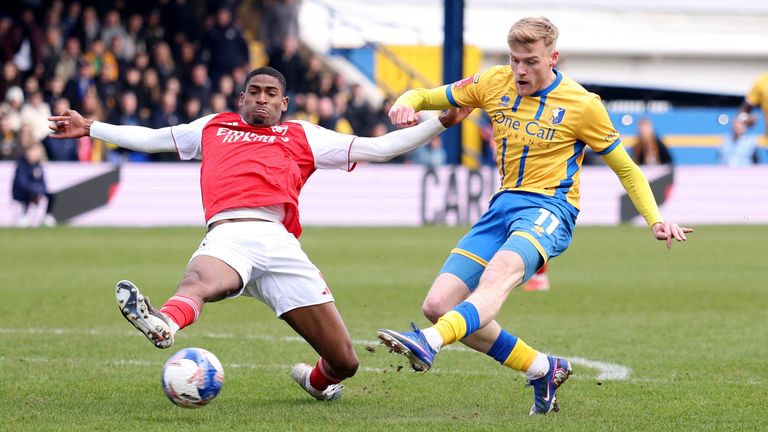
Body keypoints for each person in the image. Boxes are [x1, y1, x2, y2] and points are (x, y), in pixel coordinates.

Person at [48, 66, 470, 402]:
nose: (262, 98)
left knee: (345, 361)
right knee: (198, 282)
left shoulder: (303, 134)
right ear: (242, 98)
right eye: (254, 92)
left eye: (270, 93)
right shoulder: (214, 127)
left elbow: (378, 148)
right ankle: (165, 323)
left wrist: (441, 123)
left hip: (279, 243)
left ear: (283, 102)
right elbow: (152, 138)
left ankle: (318, 383)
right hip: (229, 232)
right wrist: (91, 128)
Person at [377, 17, 693, 415]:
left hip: (549, 210)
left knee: (495, 279)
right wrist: (404, 104)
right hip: (501, 207)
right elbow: (424, 95)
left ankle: (431, 342)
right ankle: (542, 367)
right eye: (515, 60)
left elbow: (627, 169)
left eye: (531, 61)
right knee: (438, 305)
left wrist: (654, 218)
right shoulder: (493, 82)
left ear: (553, 58)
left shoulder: (583, 105)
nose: (521, 71)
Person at [12, 143, 56, 227]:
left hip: (36, 191)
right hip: (20, 193)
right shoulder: (21, 165)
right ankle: (23, 216)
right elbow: (22, 183)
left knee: (51, 195)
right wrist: (35, 189)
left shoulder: (38, 165)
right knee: (28, 194)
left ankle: (47, 216)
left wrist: (40, 191)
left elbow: (43, 182)